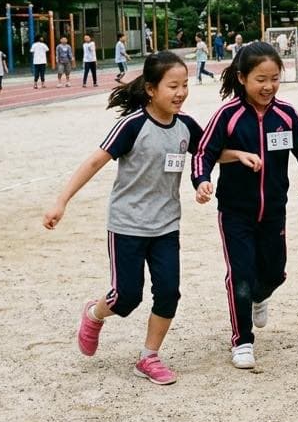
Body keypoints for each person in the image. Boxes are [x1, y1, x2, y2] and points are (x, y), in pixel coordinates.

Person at [43, 52, 201, 386]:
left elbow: (209, 150)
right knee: (127, 297)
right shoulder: (133, 125)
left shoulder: (186, 126)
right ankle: (94, 313)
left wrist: (239, 155)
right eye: (172, 86)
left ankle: (148, 357)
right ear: (150, 88)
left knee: (169, 293)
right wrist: (61, 202)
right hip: (127, 225)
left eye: (185, 85)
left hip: (166, 226)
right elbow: (93, 163)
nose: (180, 93)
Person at [193, 42, 298, 369]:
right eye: (261, 79)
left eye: (275, 78)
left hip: (274, 210)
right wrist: (201, 180)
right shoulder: (228, 115)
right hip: (235, 212)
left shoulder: (285, 114)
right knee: (241, 274)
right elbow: (203, 152)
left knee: (276, 272)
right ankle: (242, 339)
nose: (268, 86)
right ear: (242, 78)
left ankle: (260, 296)